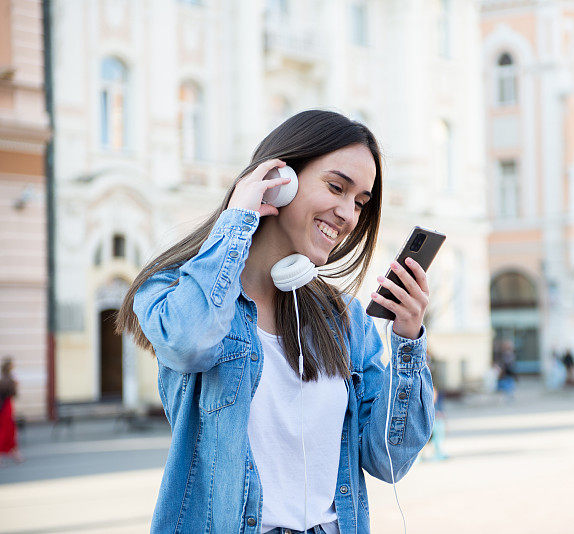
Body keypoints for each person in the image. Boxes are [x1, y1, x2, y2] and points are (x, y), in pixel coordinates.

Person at [116, 110, 435, 534]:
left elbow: (388, 459)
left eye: (359, 202)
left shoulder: (344, 319)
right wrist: (237, 220)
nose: (347, 214)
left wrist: (408, 340)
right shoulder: (176, 292)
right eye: (336, 187)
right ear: (281, 179)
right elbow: (189, 342)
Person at [0, 356, 23, 464]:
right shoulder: (6, 378)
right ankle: (13, 454)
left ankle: (15, 454)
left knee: (10, 430)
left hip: (7, 405)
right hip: (5, 406)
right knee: (6, 431)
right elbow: (9, 392)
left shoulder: (7, 377)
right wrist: (14, 385)